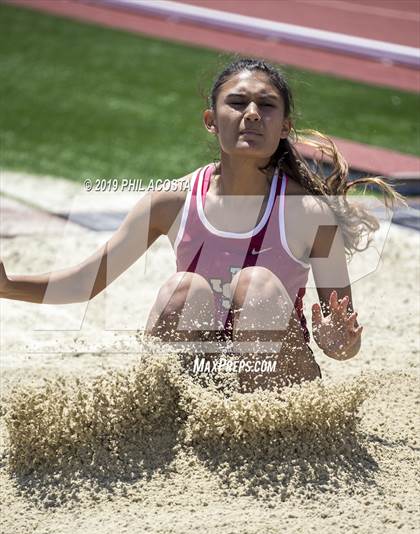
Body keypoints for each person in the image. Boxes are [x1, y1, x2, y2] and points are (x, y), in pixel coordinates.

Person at [0, 58, 401, 391]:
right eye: (237, 102)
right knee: (181, 288)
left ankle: (260, 437)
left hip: (278, 383)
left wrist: (339, 343)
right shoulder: (170, 201)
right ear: (211, 119)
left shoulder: (312, 213)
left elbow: (344, 344)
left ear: (285, 127)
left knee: (256, 283)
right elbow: (85, 283)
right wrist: (7, 285)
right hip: (202, 380)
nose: (252, 115)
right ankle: (159, 418)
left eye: (267, 106)